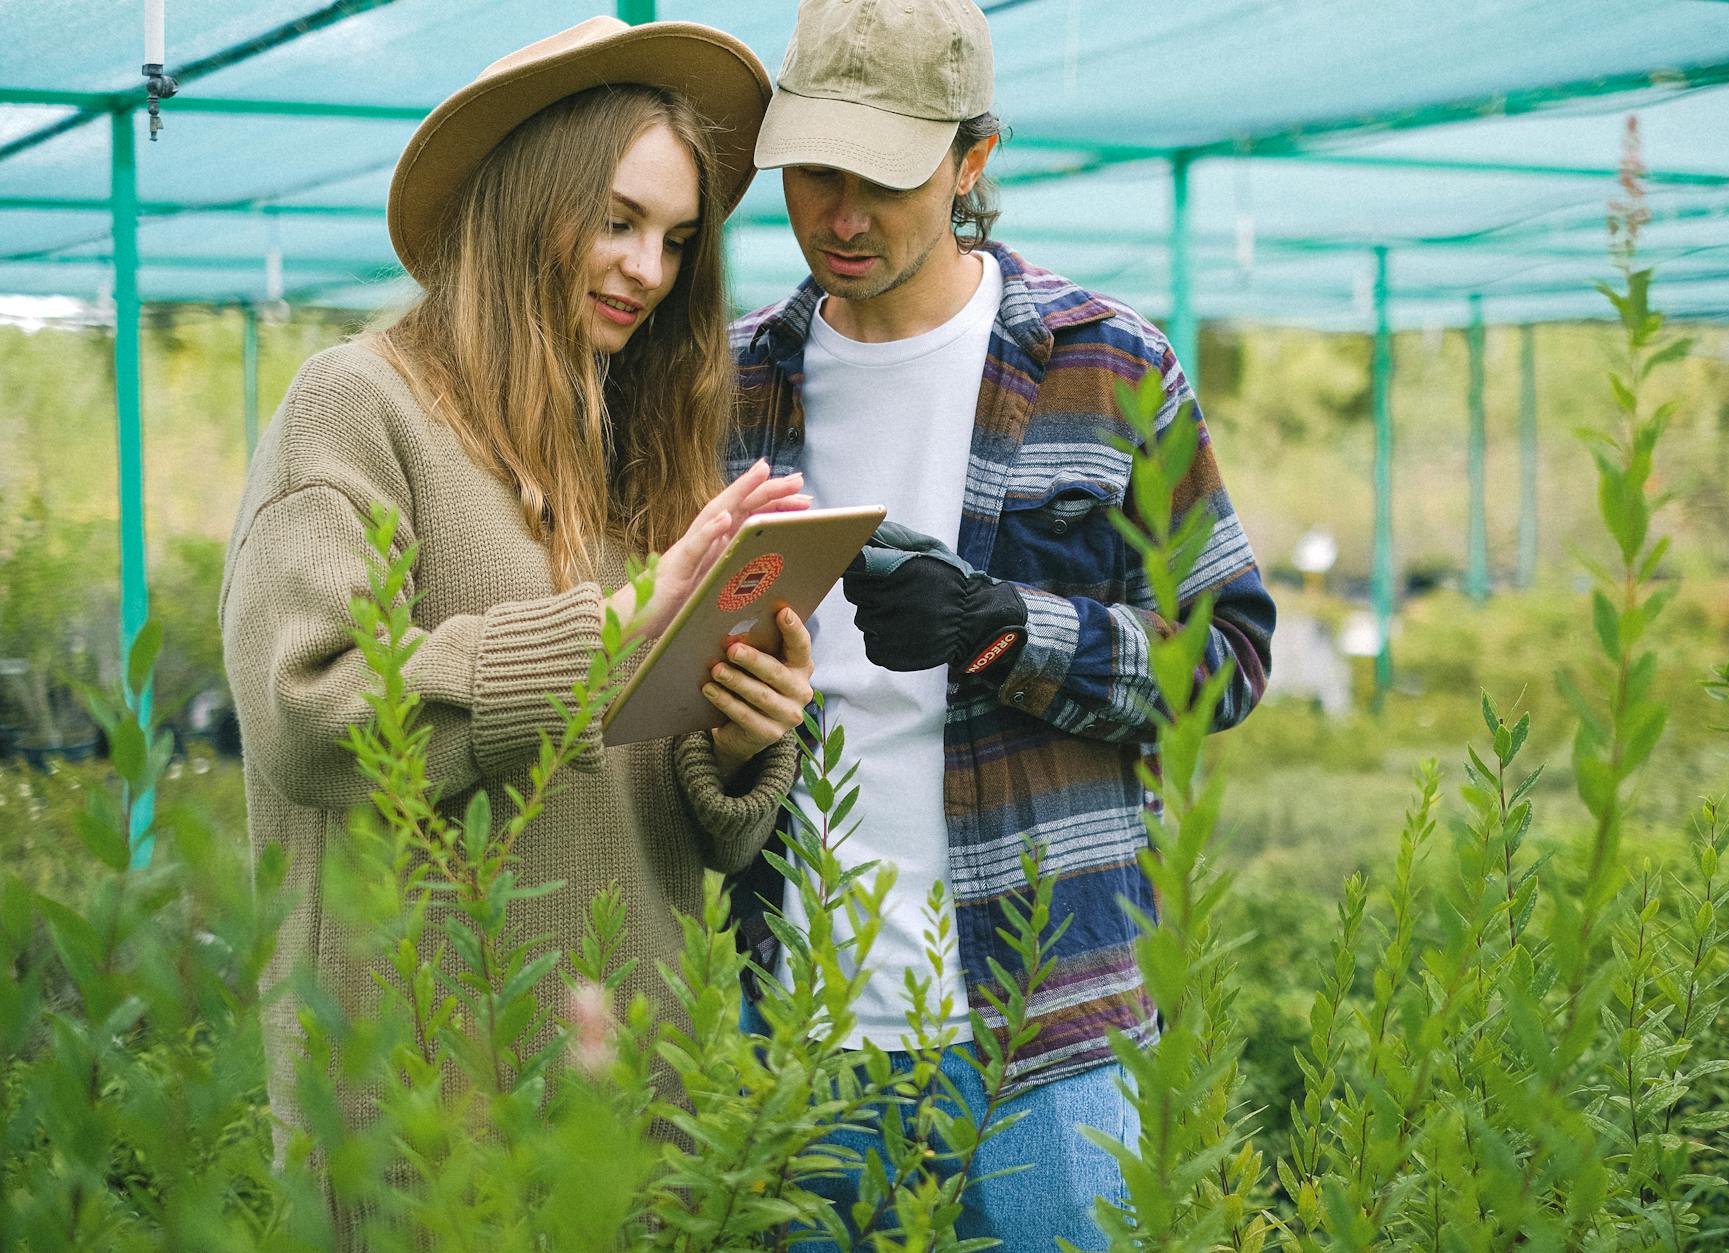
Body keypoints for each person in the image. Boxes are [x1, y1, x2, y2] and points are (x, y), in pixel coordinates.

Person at [727, 0, 1276, 1246]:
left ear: (972, 160)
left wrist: (1002, 628)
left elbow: (1227, 658)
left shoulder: (1109, 367)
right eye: (814, 172)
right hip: (797, 1027)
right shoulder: (731, 381)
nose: (842, 216)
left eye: (885, 178)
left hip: (1047, 1032)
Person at [219, 17, 814, 1159]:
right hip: (423, 1105)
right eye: (617, 220)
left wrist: (737, 739)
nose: (649, 269)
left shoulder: (631, 437)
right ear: (525, 202)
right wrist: (620, 620)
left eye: (678, 239)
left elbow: (646, 786)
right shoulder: (358, 405)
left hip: (637, 1092)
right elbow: (311, 710)